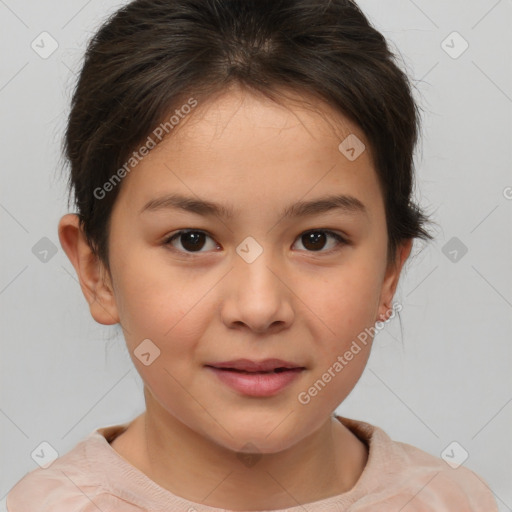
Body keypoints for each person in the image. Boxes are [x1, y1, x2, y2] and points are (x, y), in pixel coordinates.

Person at [6, 0, 498, 510]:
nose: (260, 308)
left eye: (317, 239)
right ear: (97, 272)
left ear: (390, 273)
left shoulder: (454, 500)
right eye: (191, 240)